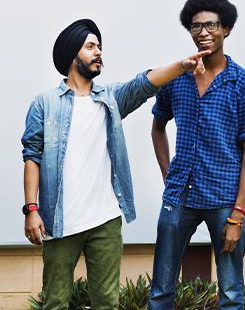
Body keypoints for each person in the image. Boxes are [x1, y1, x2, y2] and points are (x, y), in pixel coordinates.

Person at [20, 18, 209, 309]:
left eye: (100, 47)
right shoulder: (45, 103)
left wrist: (180, 67)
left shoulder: (109, 99)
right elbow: (32, 156)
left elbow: (142, 84)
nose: (99, 52)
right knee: (55, 301)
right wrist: (31, 209)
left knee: (107, 302)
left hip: (105, 219)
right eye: (90, 46)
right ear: (73, 54)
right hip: (60, 220)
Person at [148, 0, 245, 308]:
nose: (203, 32)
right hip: (179, 195)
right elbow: (158, 127)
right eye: (196, 26)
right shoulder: (176, 79)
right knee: (161, 290)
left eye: (211, 24)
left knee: (230, 294)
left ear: (226, 29)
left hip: (225, 198)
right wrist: (168, 174)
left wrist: (238, 215)